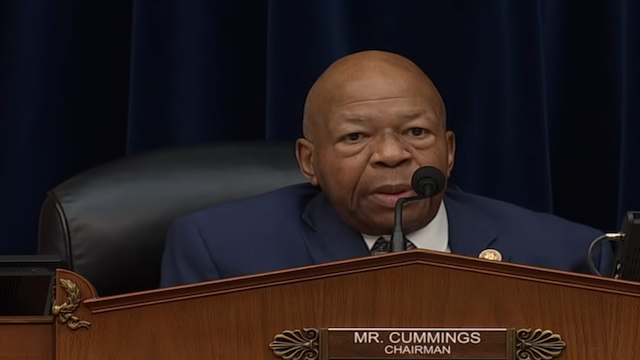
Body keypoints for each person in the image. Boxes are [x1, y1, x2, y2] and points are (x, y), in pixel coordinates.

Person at [159, 50, 614, 287]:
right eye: (355, 137)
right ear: (308, 161)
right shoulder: (221, 254)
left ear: (449, 152)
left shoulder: (567, 256)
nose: (392, 155)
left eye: (417, 133)